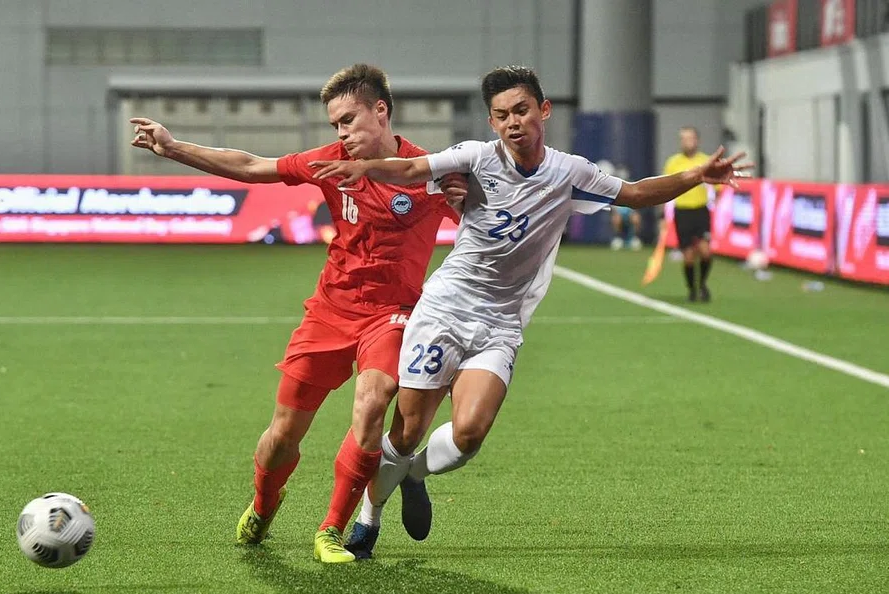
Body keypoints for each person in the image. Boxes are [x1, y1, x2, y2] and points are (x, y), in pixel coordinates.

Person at [310, 65, 750, 558]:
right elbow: (414, 169)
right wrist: (365, 168)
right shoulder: (476, 158)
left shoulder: (570, 172)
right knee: (407, 430)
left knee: (469, 434)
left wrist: (696, 175)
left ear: (544, 110)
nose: (512, 122)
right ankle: (369, 522)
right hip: (446, 309)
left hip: (500, 321)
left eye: (521, 110)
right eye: (501, 115)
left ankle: (415, 472)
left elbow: (635, 194)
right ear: (492, 121)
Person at [130, 63, 465, 564]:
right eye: (335, 125)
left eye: (349, 119)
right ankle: (265, 504)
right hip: (330, 311)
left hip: (392, 314)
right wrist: (173, 147)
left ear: (381, 111)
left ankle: (332, 529)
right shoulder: (330, 161)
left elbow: (487, 221)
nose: (341, 133)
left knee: (373, 402)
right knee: (282, 435)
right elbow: (251, 166)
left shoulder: (431, 171)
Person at [663, 127, 715, 302]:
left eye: (690, 138)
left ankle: (703, 284)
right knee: (688, 256)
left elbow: (718, 189)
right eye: (683, 139)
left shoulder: (706, 161)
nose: (686, 142)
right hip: (682, 211)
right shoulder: (673, 162)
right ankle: (692, 289)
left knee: (705, 251)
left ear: (697, 140)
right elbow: (666, 188)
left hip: (700, 210)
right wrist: (665, 215)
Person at [609, 165, 642, 250]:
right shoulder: (613, 187)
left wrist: (632, 212)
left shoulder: (631, 186)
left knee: (636, 218)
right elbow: (613, 205)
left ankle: (635, 238)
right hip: (619, 212)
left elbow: (635, 202)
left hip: (630, 211)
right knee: (617, 218)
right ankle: (618, 238)